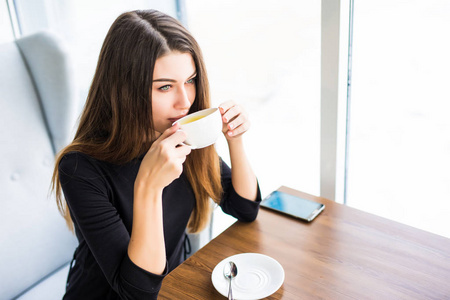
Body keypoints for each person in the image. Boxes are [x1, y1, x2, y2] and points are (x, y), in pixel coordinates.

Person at [51, 9, 261, 300]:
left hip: (173, 287)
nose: (185, 101)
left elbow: (244, 208)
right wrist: (149, 186)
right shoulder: (80, 167)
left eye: (190, 80)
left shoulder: (184, 132)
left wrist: (234, 140)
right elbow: (137, 290)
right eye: (165, 87)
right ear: (125, 90)